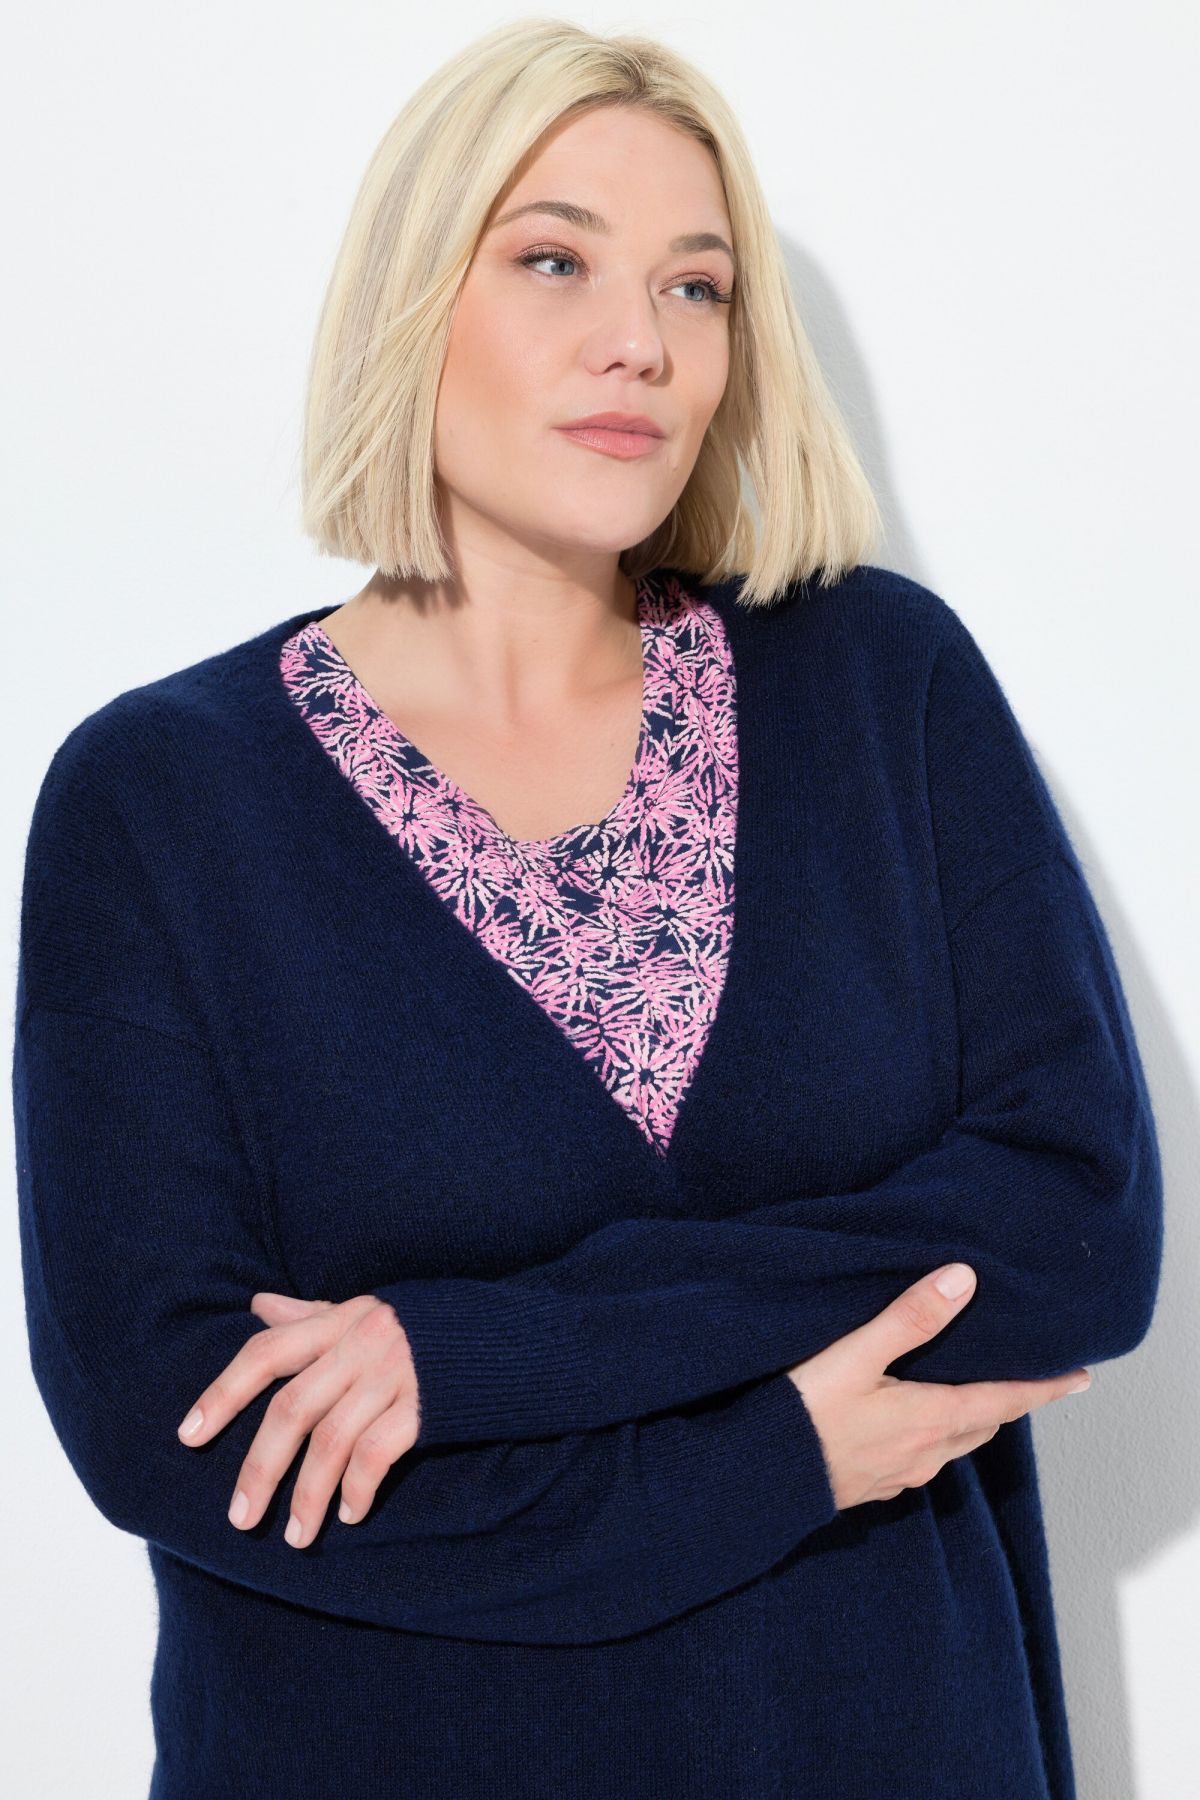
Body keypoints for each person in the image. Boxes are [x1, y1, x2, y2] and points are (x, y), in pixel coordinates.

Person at [12, 17, 1162, 1799]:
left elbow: (1071, 1230)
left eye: (698, 288)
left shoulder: (878, 686)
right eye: (555, 260)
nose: (642, 340)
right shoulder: (160, 801)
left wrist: (476, 1353)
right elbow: (187, 1438)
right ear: (414, 300)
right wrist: (777, 1458)